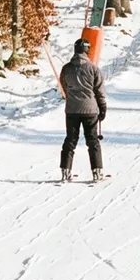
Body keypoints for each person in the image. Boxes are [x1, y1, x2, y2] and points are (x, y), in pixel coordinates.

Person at [59, 38, 107, 183]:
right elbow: (99, 90)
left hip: (72, 109)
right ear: (87, 50)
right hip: (90, 109)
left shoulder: (66, 68)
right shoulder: (93, 69)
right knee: (92, 141)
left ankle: (65, 170)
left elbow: (64, 86)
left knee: (70, 140)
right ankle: (97, 171)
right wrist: (102, 107)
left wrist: (72, 96)